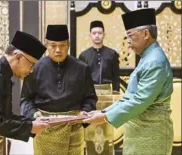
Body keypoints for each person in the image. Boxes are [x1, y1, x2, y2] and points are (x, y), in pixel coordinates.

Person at [83, 9, 174, 155]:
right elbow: (131, 98)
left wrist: (105, 116)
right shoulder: (148, 57)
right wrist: (103, 111)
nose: (129, 43)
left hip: (151, 134)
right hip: (141, 133)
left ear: (145, 34)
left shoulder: (154, 61)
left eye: (131, 36)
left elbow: (139, 100)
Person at [20, 25, 97, 155]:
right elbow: (25, 99)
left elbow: (90, 97)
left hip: (73, 129)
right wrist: (34, 115)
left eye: (62, 45)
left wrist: (85, 112)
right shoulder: (35, 68)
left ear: (68, 45)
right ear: (46, 45)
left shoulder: (82, 68)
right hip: (45, 129)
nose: (57, 50)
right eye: (53, 45)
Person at [79, 20, 120, 93]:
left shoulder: (112, 54)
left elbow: (116, 76)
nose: (97, 35)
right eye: (94, 33)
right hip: (90, 91)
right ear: (90, 35)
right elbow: (81, 78)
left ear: (104, 35)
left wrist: (115, 91)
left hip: (108, 91)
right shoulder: (84, 55)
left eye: (100, 33)